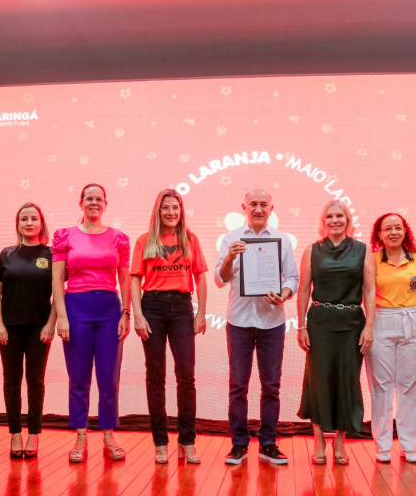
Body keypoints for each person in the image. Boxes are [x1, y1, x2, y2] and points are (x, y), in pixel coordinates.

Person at [216, 189, 299, 465]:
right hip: (239, 322)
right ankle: (239, 443)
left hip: (272, 322)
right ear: (244, 207)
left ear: (271, 208)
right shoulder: (231, 238)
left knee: (271, 386)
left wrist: (284, 295)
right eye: (253, 204)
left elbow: (293, 277)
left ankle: (268, 443)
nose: (259, 209)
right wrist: (229, 257)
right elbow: (219, 279)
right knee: (238, 386)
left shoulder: (281, 239)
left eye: (264, 204)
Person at [52, 183, 131, 462]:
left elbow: (124, 279)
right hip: (76, 307)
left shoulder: (118, 238)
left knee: (109, 377)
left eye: (99, 199)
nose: (94, 202)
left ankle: (109, 435)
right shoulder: (65, 236)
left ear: (105, 204)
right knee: (79, 376)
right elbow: (57, 279)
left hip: (110, 309)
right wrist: (61, 315)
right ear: (81, 203)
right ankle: (81, 436)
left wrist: (126, 313)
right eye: (89, 198)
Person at [131, 189, 208, 464]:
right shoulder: (144, 241)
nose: (171, 212)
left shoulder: (189, 239)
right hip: (151, 307)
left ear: (181, 210)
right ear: (158, 211)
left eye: (175, 207)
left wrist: (201, 313)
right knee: (155, 377)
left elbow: (199, 278)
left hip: (182, 308)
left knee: (186, 376)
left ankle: (187, 441)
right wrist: (137, 315)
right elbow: (134, 280)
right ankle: (160, 442)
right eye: (166, 208)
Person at [296, 200, 374, 466]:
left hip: (352, 323)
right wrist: (302, 325)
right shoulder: (311, 251)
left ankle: (340, 441)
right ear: (323, 221)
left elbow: (370, 291)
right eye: (329, 216)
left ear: (348, 219)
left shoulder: (363, 250)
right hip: (319, 323)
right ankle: (319, 440)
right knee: (318, 382)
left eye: (340, 215)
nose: (334, 220)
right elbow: (304, 290)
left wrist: (369, 326)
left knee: (347, 382)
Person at [0, 203, 57, 460]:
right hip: (10, 327)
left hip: (40, 327)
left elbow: (59, 294)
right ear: (17, 224)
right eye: (23, 219)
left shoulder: (51, 254)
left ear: (41, 223)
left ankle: (34, 434)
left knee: (35, 381)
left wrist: (51, 323)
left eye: (34, 219)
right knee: (11, 380)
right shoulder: (7, 254)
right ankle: (15, 434)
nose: (29, 223)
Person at [365, 213, 416, 464]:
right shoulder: (371, 260)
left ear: (405, 231)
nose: (393, 232)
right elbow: (368, 293)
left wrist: (407, 312)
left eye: (398, 228)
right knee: (381, 386)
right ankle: (382, 445)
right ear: (379, 234)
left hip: (413, 321)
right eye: (387, 229)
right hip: (380, 320)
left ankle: (409, 445)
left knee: (410, 385)